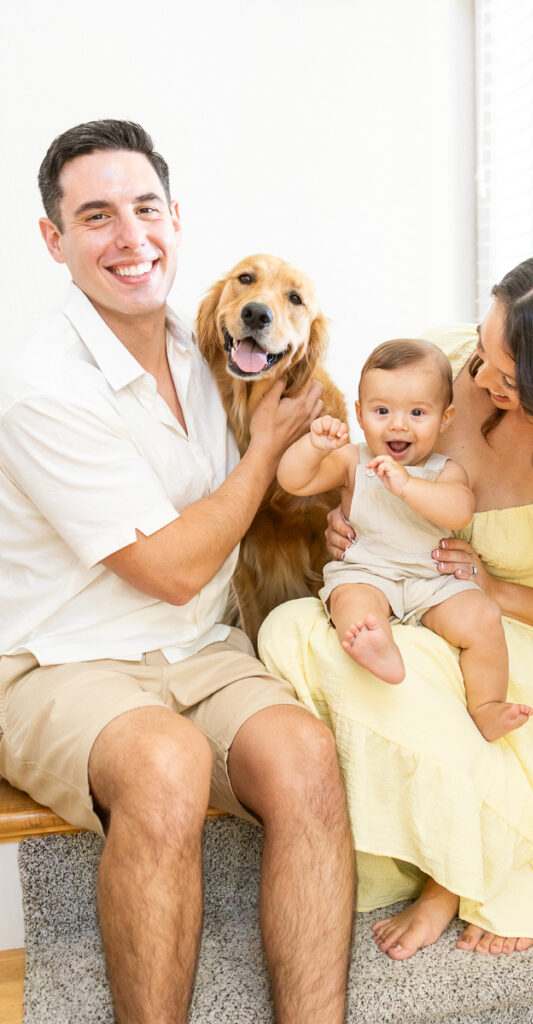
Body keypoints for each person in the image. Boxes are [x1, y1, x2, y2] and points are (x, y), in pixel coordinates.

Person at [0, 119, 355, 1024]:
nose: (130, 237)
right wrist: (266, 447)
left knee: (309, 756)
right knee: (166, 766)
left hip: (199, 647)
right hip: (61, 660)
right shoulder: (44, 385)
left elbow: (319, 455)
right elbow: (165, 567)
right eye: (95, 216)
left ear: (174, 218)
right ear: (55, 239)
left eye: (145, 208)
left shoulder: (211, 348)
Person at [259, 248, 533, 962]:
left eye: (507, 378)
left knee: (424, 673)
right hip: (402, 590)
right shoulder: (451, 358)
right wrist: (349, 512)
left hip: (509, 626)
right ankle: (432, 830)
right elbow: (376, 451)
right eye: (482, 352)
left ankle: (454, 874)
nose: (480, 377)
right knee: (291, 633)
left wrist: (495, 589)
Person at [277, 338, 533, 740]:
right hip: (366, 571)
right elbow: (294, 480)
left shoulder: (445, 470)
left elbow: (458, 510)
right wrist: (313, 447)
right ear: (360, 415)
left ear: (445, 419)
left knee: (483, 618)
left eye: (417, 412)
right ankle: (379, 648)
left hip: (431, 582)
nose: (398, 424)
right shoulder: (351, 460)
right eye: (382, 411)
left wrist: (407, 486)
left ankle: (486, 706)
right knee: (353, 603)